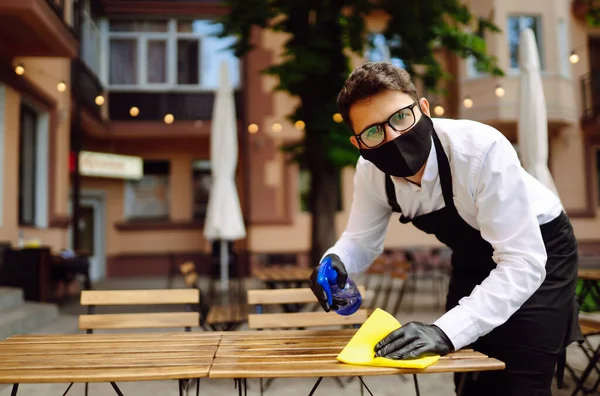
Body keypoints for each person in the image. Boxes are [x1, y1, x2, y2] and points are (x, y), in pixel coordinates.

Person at [309, 62, 582, 395]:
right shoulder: (371, 172)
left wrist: (443, 331)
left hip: (538, 251)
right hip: (472, 257)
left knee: (518, 377)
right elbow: (360, 240)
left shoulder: (480, 150)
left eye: (400, 117)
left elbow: (523, 262)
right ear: (358, 143)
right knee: (469, 379)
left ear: (423, 109)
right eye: (373, 132)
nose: (392, 135)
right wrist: (337, 260)